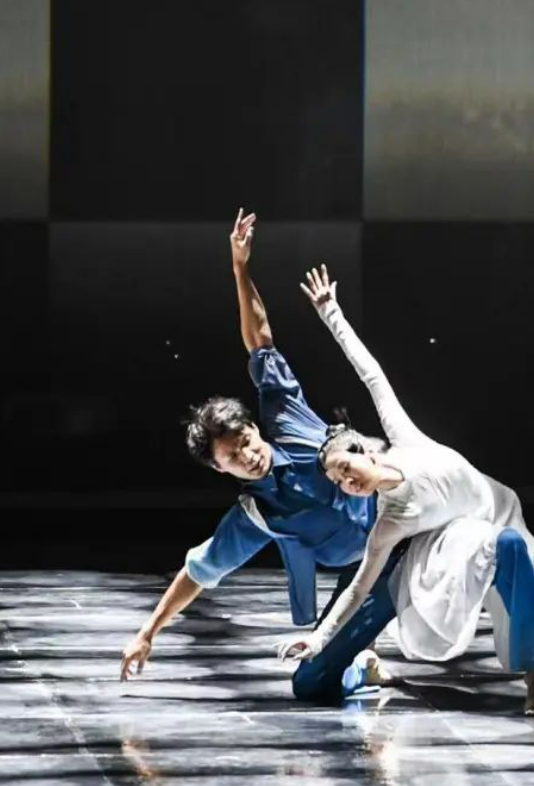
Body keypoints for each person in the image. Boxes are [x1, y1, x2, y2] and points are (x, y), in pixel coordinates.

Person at [278, 266, 534, 712]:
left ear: (365, 451)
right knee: (482, 558)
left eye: (346, 468)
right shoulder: (388, 523)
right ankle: (527, 672)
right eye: (339, 482)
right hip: (445, 537)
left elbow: (371, 375)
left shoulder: (405, 440)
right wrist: (317, 639)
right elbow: (357, 589)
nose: (348, 482)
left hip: (496, 508)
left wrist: (331, 313)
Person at [119, 213, 384, 684]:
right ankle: (362, 656)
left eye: (245, 440)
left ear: (255, 429)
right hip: (361, 575)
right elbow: (198, 571)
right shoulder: (257, 515)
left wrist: (240, 269)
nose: (247, 454)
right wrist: (147, 632)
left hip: (400, 526)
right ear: (220, 469)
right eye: (233, 456)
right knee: (312, 684)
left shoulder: (286, 418)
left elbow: (260, 340)